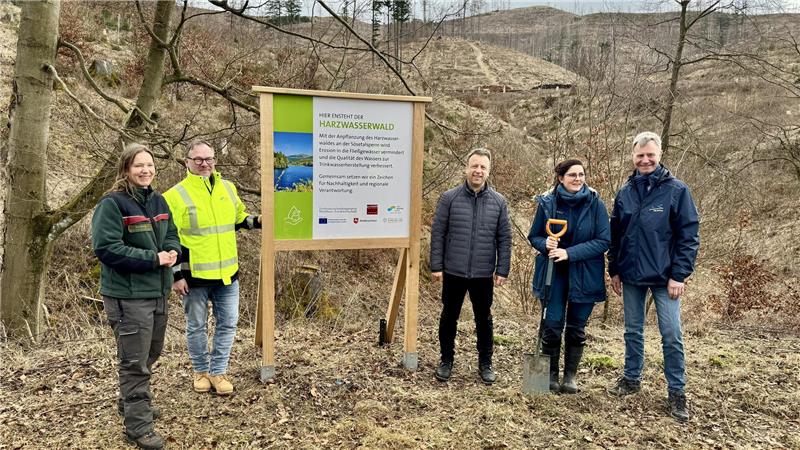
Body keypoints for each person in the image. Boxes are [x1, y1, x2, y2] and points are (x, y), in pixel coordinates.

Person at [606, 132, 700, 422]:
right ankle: (631, 378)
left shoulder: (676, 190)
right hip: (631, 275)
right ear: (633, 157)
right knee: (632, 331)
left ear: (659, 156)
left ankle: (676, 391)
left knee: (671, 335)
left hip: (665, 278)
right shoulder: (625, 192)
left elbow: (689, 236)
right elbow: (616, 235)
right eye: (640, 155)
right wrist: (614, 270)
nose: (645, 160)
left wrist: (679, 275)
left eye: (650, 155)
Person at [92, 143, 180, 450]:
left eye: (150, 165)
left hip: (158, 292)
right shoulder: (112, 204)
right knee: (134, 363)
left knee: (149, 355)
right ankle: (138, 427)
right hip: (128, 297)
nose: (145, 170)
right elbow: (106, 249)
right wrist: (154, 259)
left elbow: (172, 235)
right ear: (126, 169)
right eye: (138, 165)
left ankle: (131, 405)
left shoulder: (158, 200)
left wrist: (172, 251)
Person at [163, 141, 261, 396]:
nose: (204, 163)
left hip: (227, 274)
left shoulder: (228, 188)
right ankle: (201, 372)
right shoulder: (174, 195)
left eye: (209, 158)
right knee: (196, 326)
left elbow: (240, 220)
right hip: (193, 276)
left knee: (227, 324)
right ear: (187, 162)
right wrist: (176, 275)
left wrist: (261, 220)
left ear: (215, 160)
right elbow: (168, 238)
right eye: (198, 159)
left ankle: (218, 372)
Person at [430, 147, 512, 384]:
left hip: (483, 273)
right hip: (453, 270)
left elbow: (504, 238)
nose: (478, 171)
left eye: (482, 167)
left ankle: (485, 362)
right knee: (449, 317)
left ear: (488, 171)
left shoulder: (499, 202)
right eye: (474, 166)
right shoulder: (449, 198)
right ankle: (446, 360)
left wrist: (502, 269)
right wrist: (436, 266)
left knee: (483, 319)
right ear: (466, 168)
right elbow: (438, 233)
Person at [527, 159, 610, 394]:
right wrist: (546, 243)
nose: (578, 179)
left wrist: (569, 253)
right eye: (572, 175)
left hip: (585, 273)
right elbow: (534, 236)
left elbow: (603, 241)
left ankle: (570, 377)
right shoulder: (547, 203)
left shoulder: (595, 204)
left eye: (581, 174)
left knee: (576, 327)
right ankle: (551, 375)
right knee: (552, 325)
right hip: (553, 273)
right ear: (561, 178)